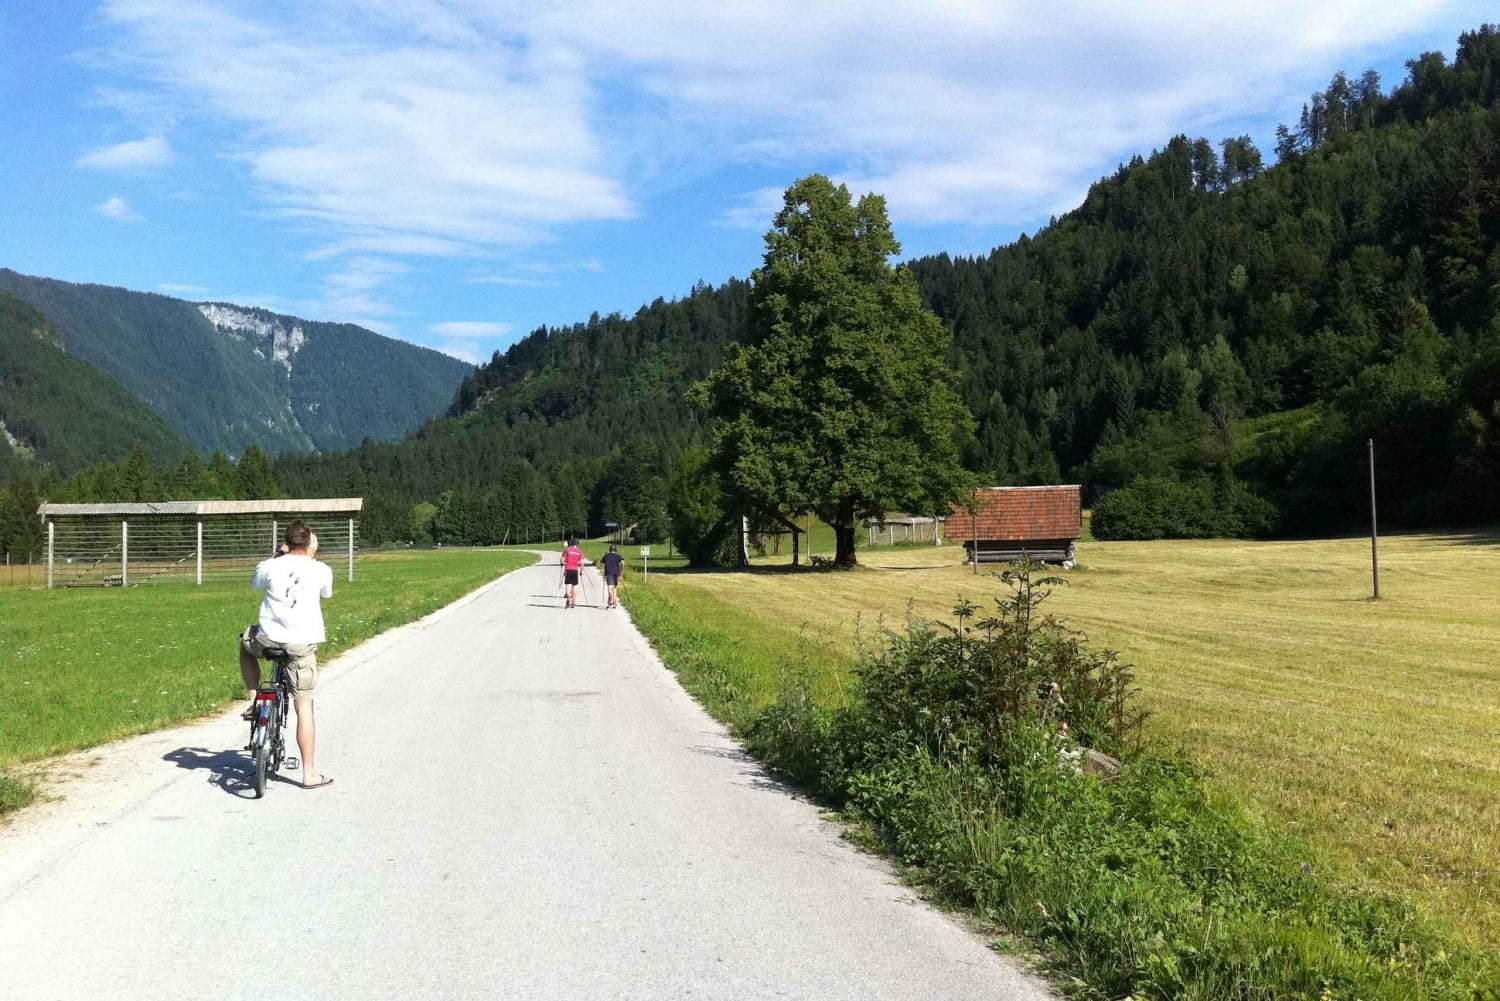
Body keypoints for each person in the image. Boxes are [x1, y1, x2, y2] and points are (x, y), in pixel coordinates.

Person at [239, 520, 335, 789]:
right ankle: (309, 774)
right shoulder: (321, 570)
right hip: (301, 645)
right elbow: (327, 593)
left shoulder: (270, 566)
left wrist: (278, 555)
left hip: (268, 638)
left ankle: (255, 699)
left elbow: (256, 584)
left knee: (245, 644)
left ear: (286, 541)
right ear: (310, 541)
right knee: (304, 706)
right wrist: (311, 557)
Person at [561, 537, 585, 609]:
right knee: (575, 585)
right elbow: (582, 562)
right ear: (577, 544)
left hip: (568, 569)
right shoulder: (579, 551)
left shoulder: (567, 550)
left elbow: (562, 559)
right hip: (575, 570)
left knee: (568, 585)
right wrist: (581, 571)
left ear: (572, 543)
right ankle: (573, 601)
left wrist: (563, 563)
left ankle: (568, 596)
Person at [601, 544, 624, 608]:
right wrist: (622, 570)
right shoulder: (618, 556)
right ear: (616, 550)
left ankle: (610, 597)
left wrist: (604, 556)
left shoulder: (606, 556)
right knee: (614, 587)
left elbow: (601, 562)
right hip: (616, 573)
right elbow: (623, 562)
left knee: (609, 586)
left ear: (610, 549)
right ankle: (614, 602)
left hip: (609, 573)